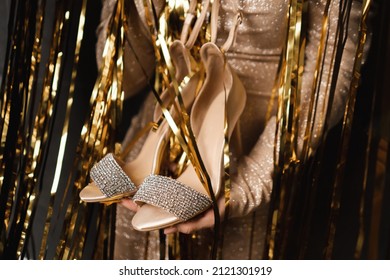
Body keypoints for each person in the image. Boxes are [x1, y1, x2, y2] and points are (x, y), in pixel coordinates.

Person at [94, 0, 370, 259]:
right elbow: (125, 79)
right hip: (159, 135)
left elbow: (334, 60)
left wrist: (251, 183)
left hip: (258, 149)